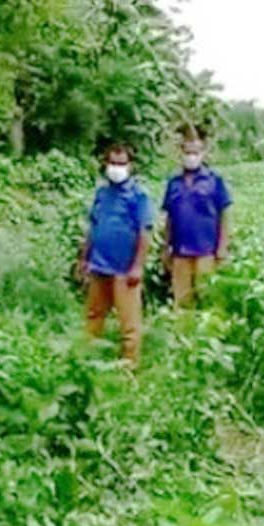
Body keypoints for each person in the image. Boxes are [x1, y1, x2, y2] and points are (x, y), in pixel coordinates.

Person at [79, 144, 153, 365]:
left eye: (121, 164)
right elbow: (93, 227)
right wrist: (84, 258)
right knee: (94, 315)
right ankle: (88, 360)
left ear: (130, 166)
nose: (116, 168)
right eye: (113, 163)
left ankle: (129, 367)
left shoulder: (138, 196)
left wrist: (138, 266)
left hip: (125, 268)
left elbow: (144, 231)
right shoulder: (102, 194)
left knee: (128, 323)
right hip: (99, 265)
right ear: (105, 164)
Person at [162, 126, 232, 307]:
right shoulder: (173, 182)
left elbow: (224, 215)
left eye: (195, 152)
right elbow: (170, 218)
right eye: (187, 152)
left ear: (203, 153)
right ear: (181, 153)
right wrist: (165, 247)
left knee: (207, 299)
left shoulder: (214, 180)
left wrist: (222, 248)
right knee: (182, 301)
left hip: (206, 251)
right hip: (180, 252)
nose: (191, 156)